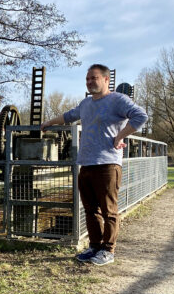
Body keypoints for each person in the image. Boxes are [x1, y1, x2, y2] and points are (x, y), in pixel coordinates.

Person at [40, 64, 148, 266]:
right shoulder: (86, 103)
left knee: (109, 211)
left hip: (108, 164)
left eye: (94, 78)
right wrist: (48, 123)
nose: (90, 82)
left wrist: (121, 136)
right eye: (87, 79)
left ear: (106, 80)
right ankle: (95, 247)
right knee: (90, 210)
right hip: (86, 164)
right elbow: (69, 116)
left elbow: (141, 116)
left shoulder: (117, 100)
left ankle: (108, 250)